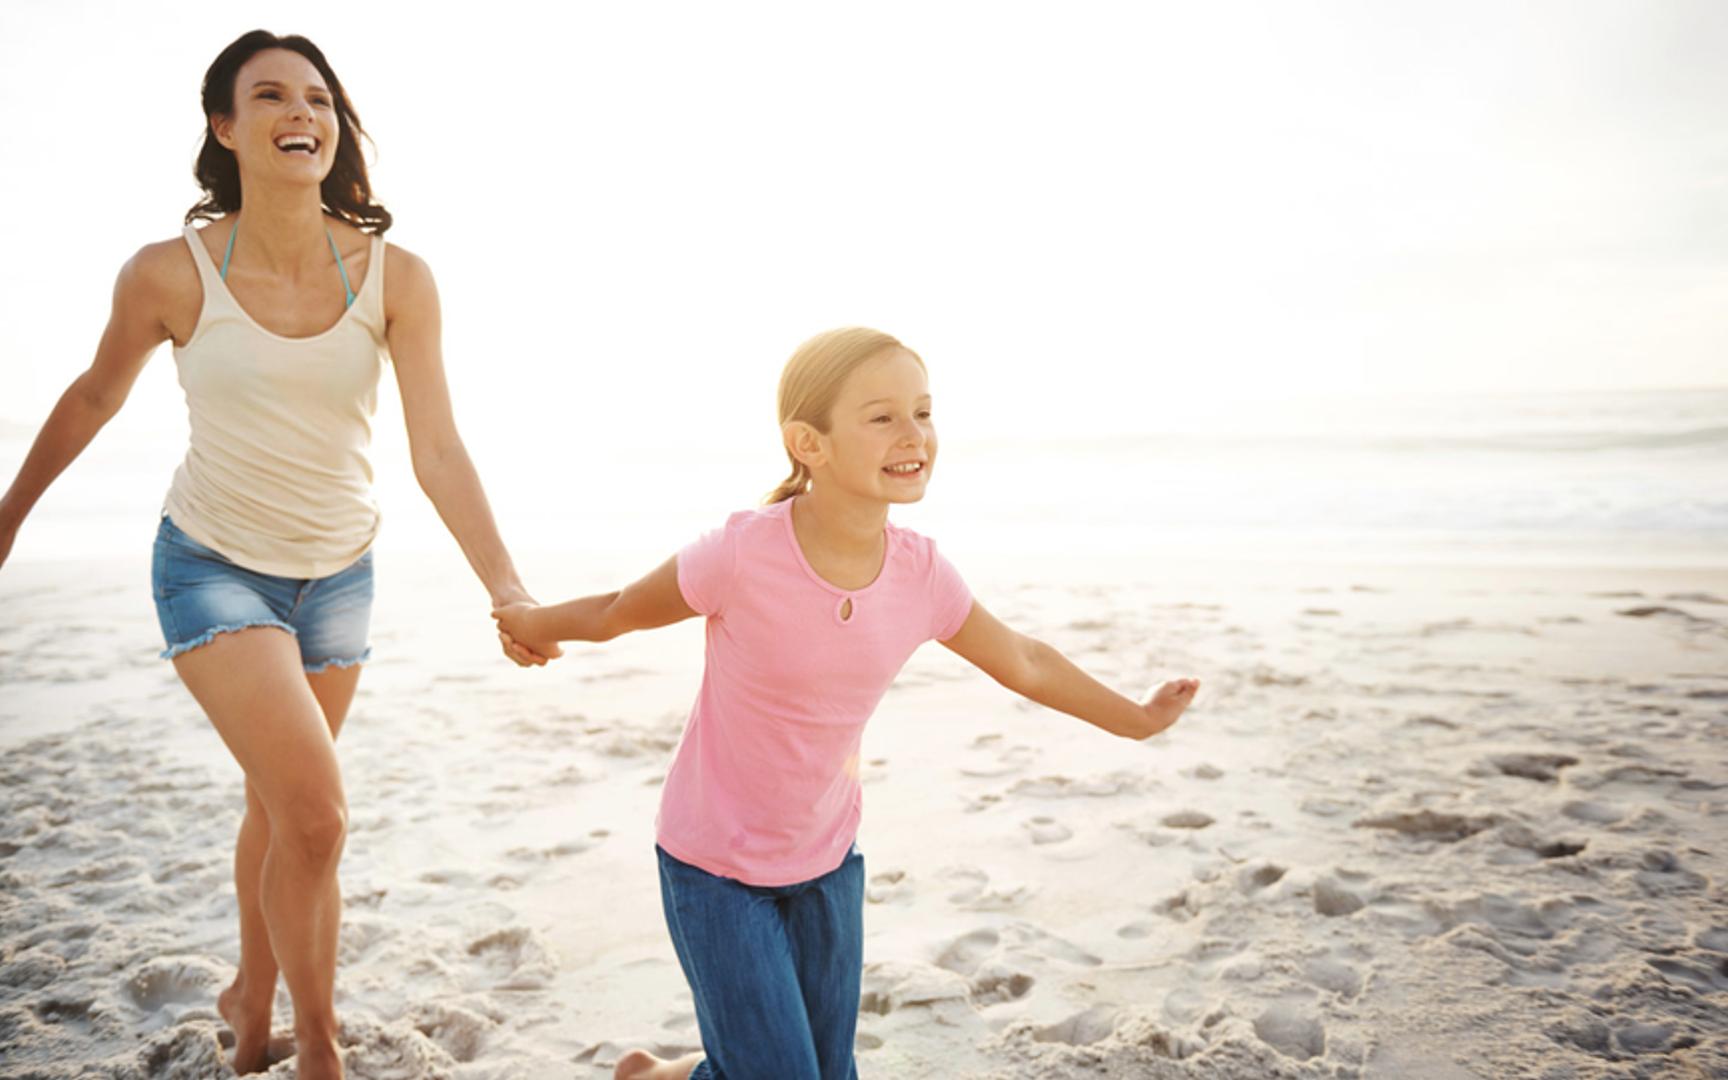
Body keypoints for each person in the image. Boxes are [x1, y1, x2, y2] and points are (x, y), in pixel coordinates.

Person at [0, 30, 547, 1079]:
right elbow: (92, 395)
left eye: (317, 98)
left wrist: (505, 584)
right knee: (316, 812)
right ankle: (320, 1051)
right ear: (225, 126)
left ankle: (252, 1003)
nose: (302, 113)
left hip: (339, 573)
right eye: (270, 97)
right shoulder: (169, 273)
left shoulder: (397, 276)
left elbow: (435, 446)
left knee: (276, 807)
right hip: (211, 564)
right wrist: (10, 515)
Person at [492, 326, 1199, 1080]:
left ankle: (657, 1077)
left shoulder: (921, 575)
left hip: (827, 861)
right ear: (809, 443)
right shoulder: (740, 553)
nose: (914, 434)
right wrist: (531, 621)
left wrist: (1140, 719)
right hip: (713, 868)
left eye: (923, 412)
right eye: (882, 416)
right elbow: (617, 610)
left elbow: (1023, 660)